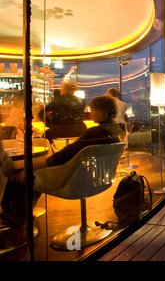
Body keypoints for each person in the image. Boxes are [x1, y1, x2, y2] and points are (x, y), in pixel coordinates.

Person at [0, 95, 125, 226]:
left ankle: (11, 217)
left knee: (20, 176)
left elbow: (66, 154)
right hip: (95, 177)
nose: (91, 113)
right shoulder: (114, 130)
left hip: (75, 178)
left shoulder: (94, 133)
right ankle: (20, 215)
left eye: (93, 110)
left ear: (102, 112)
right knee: (28, 176)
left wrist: (38, 165)